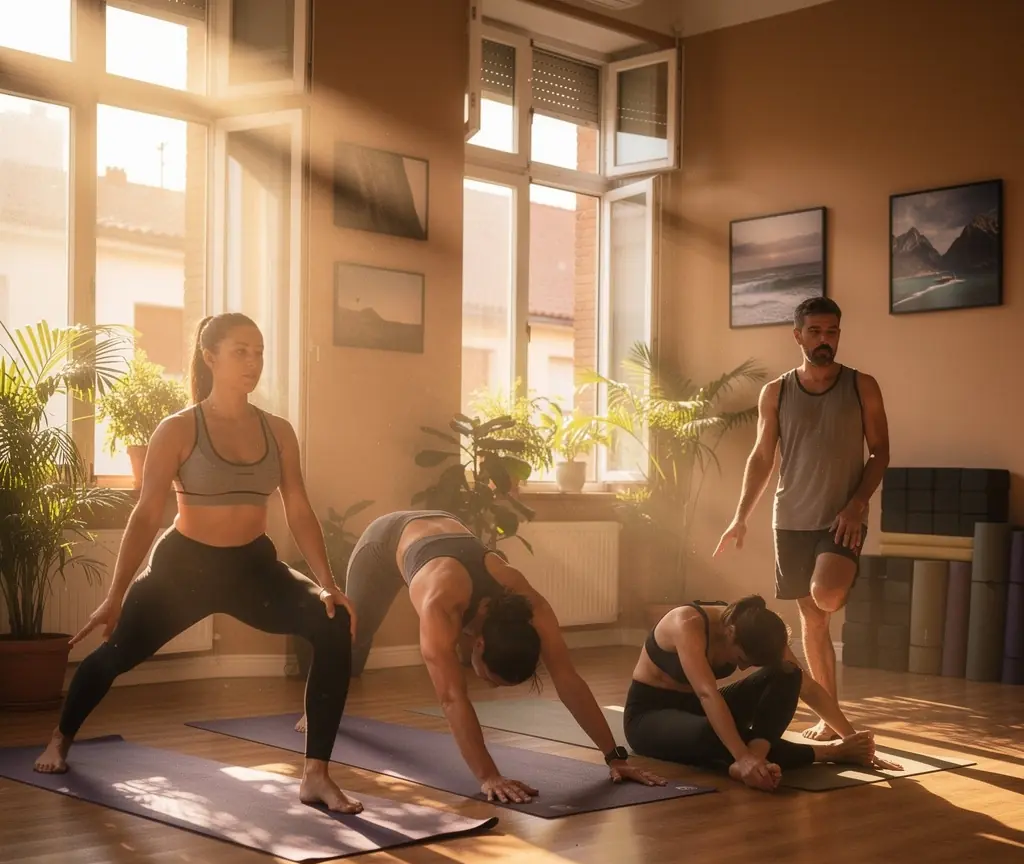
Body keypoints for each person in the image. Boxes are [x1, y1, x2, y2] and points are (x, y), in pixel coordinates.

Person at [33, 314, 364, 814]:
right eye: (240, 352)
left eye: (258, 352)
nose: (252, 362)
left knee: (332, 623)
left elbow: (297, 506)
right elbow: (146, 515)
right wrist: (116, 593)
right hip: (183, 571)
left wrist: (327, 584)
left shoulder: (278, 431)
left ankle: (315, 774)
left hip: (253, 568)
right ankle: (60, 738)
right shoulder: (179, 428)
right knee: (114, 654)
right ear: (209, 357)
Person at [296, 509, 666, 803]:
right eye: (489, 678)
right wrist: (489, 775)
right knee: (351, 637)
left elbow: (568, 678)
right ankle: (315, 707)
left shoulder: (529, 602)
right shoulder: (440, 605)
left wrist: (615, 756)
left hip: (442, 535)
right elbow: (452, 697)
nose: (484, 684)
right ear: (479, 644)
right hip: (384, 541)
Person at [714, 296, 890, 740]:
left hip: (841, 519)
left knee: (826, 596)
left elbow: (881, 451)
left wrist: (857, 504)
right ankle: (829, 721)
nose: (824, 340)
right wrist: (740, 518)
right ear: (798, 336)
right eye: (815, 332)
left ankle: (842, 578)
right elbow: (761, 457)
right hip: (790, 519)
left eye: (831, 332)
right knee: (813, 622)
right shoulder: (775, 391)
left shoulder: (861, 385)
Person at [623, 597, 902, 791]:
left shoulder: (757, 627)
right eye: (742, 658)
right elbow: (708, 694)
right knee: (714, 733)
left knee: (788, 673)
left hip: (698, 710)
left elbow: (807, 687)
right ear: (730, 632)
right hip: (649, 718)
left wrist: (851, 738)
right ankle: (826, 753)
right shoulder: (687, 623)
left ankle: (756, 756)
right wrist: (741, 756)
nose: (743, 667)